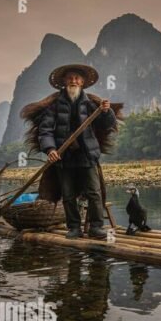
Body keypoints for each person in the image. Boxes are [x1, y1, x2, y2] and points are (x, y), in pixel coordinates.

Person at [35, 64, 118, 239]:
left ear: (83, 82)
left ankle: (96, 227)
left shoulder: (92, 104)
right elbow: (45, 130)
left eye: (77, 78)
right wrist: (50, 149)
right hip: (64, 157)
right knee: (68, 194)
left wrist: (106, 112)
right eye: (70, 78)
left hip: (86, 155)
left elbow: (106, 125)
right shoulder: (54, 105)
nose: (74, 81)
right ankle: (74, 227)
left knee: (94, 192)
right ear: (64, 82)